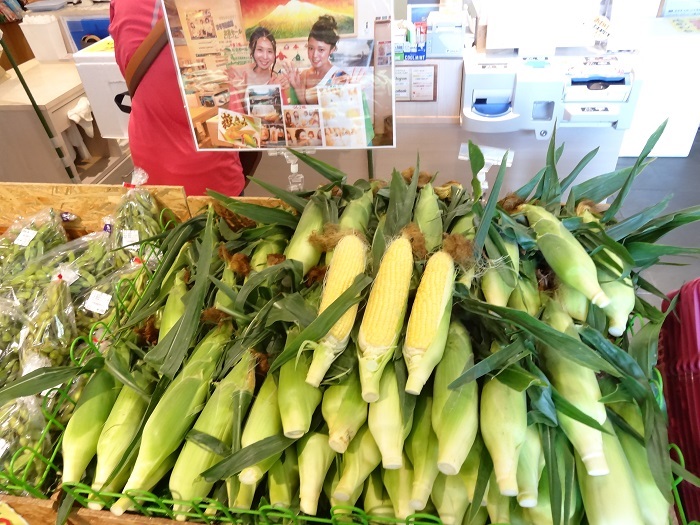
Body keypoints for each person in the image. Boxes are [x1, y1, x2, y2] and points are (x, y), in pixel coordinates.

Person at [110, 0, 245, 196]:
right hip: (210, 170)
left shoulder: (125, 5)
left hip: (150, 155)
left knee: (162, 219)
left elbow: (135, 72)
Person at [287, 15, 348, 105]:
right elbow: (305, 111)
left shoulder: (339, 76)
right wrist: (296, 88)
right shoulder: (305, 75)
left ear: (332, 50)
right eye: (311, 48)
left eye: (321, 50)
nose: (314, 55)